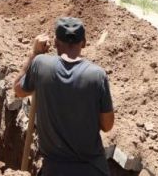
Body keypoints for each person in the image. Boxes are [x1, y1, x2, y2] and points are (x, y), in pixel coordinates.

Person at [13, 17, 115, 176]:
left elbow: (18, 90)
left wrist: (34, 54)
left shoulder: (41, 64)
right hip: (93, 169)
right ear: (84, 42)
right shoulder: (97, 75)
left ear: (54, 42)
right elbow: (107, 125)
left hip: (54, 170)